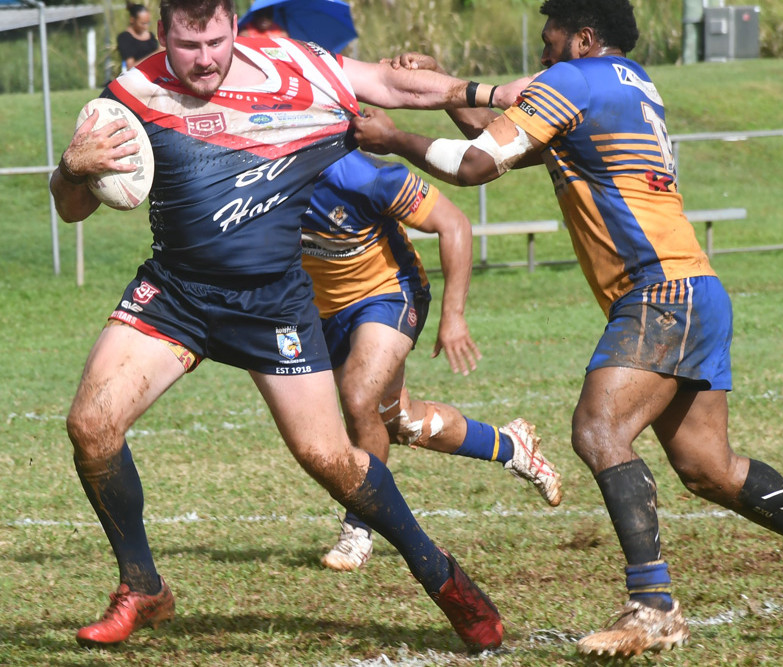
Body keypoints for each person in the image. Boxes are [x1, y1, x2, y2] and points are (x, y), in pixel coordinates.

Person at [351, 0, 783, 659]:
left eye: (552, 30)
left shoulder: (571, 82)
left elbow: (473, 164)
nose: (544, 44)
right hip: (694, 287)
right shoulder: (624, 84)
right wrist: (442, 84)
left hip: (658, 290)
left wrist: (392, 139)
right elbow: (491, 139)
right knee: (709, 468)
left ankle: (654, 605)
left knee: (598, 428)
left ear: (584, 35)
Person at [49, 0, 526, 653]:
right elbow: (73, 209)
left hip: (272, 303)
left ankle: (438, 572)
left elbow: (389, 83)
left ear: (234, 29)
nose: (203, 58)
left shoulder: (295, 70)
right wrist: (70, 170)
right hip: (177, 293)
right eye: (187, 45)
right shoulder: (131, 95)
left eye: (215, 40)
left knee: (330, 459)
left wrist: (490, 92)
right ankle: (142, 585)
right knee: (92, 426)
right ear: (162, 35)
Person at [301, 150, 562, 571]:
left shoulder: (364, 175)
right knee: (398, 420)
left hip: (388, 294)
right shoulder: (259, 174)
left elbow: (454, 223)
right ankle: (511, 446)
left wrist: (454, 316)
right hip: (323, 311)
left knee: (357, 399)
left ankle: (358, 527)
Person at [117, 3, 161, 72]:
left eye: (148, 23)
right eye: (143, 23)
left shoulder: (151, 36)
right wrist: (155, 54)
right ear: (132, 20)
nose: (146, 27)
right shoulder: (125, 38)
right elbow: (130, 67)